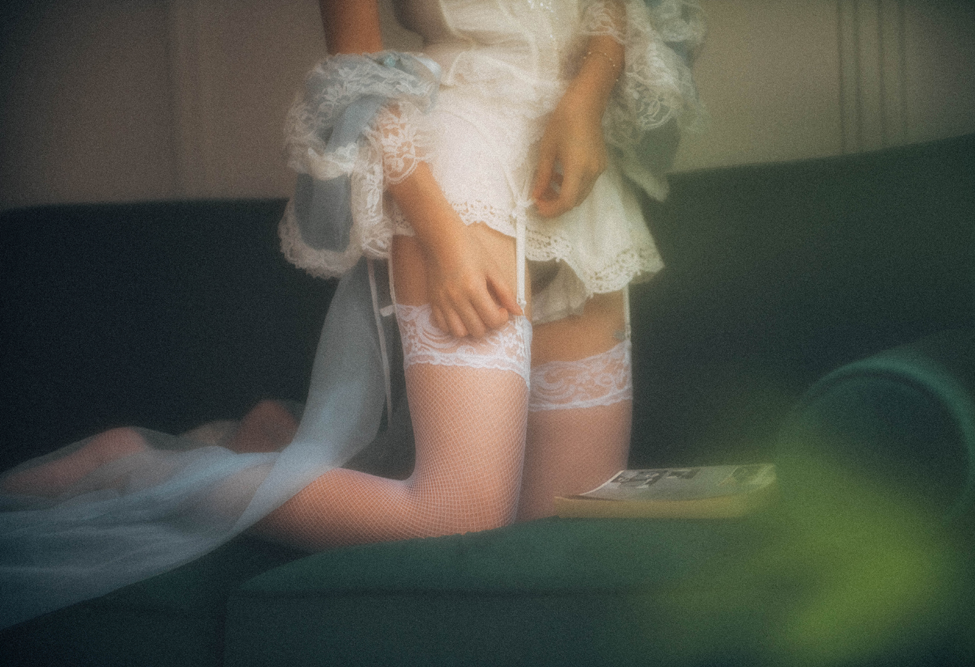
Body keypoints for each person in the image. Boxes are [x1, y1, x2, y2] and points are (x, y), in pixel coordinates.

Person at [0, 0, 703, 628]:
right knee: (459, 515)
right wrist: (441, 235)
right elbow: (354, 62)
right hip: (463, 169)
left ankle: (270, 436)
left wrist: (586, 99)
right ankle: (138, 467)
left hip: (578, 169)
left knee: (563, 535)